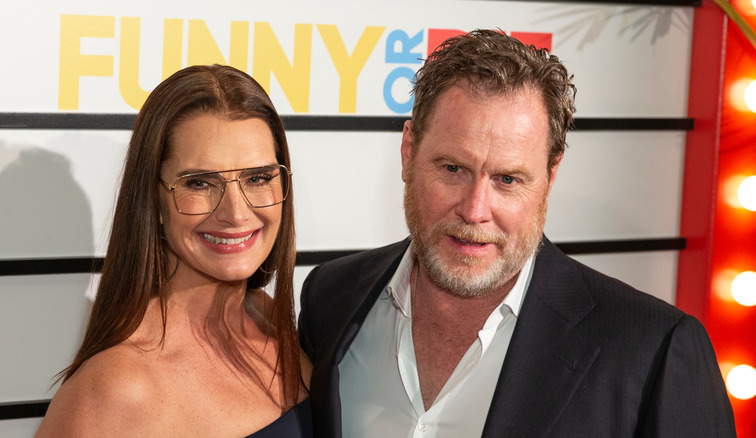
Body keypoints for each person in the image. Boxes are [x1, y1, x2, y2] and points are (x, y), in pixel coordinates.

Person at [298, 30, 735, 437]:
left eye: (507, 179)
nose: (474, 210)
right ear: (408, 151)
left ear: (551, 174)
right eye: (453, 169)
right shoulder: (330, 298)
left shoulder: (653, 351)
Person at [36, 65, 312, 437]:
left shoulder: (269, 317)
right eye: (199, 183)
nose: (236, 213)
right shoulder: (116, 389)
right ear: (155, 201)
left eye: (258, 178)